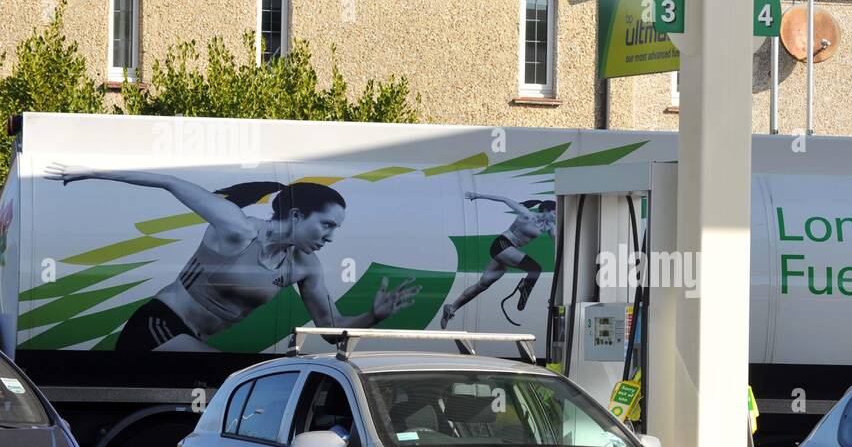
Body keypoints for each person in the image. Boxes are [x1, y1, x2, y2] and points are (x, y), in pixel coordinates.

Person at [45, 163, 419, 352]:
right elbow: (170, 182)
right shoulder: (238, 229)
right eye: (326, 225)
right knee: (228, 380)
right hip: (159, 327)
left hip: (192, 338)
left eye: (336, 229)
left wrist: (373, 316)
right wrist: (88, 172)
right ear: (296, 216)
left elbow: (332, 328)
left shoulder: (303, 267)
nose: (331, 237)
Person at [440, 191, 556, 328]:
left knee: (482, 285)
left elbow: (558, 241)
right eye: (555, 213)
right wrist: (478, 195)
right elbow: (504, 199)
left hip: (509, 250)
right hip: (502, 244)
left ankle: (451, 309)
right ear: (546, 210)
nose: (556, 216)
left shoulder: (549, 226)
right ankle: (524, 287)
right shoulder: (527, 214)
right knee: (535, 269)